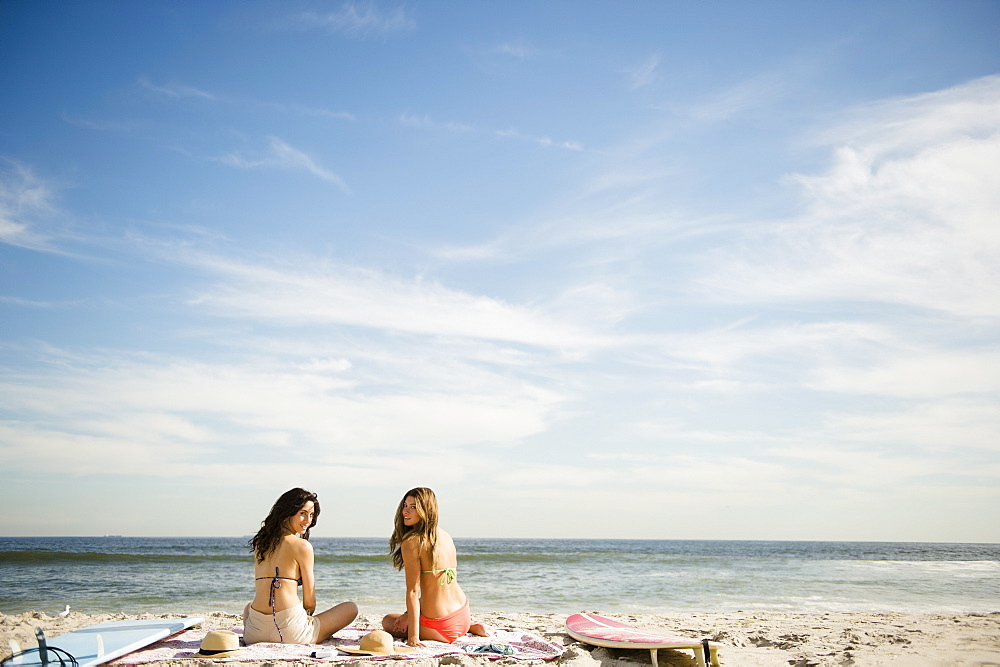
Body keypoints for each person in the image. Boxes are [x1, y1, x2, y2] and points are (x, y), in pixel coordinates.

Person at [243, 488, 357, 644]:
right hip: (290, 633)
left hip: (253, 635)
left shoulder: (261, 545)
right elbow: (309, 602)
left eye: (311, 515)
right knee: (351, 608)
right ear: (287, 512)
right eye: (303, 513)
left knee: (249, 607)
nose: (308, 520)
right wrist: (305, 618)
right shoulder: (302, 546)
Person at [382, 487, 489, 646]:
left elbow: (412, 591)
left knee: (388, 620)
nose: (406, 511)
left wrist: (413, 637)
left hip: (441, 627)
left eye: (413, 507)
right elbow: (435, 586)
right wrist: (407, 615)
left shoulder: (412, 542)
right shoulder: (445, 536)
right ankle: (471, 628)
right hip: (463, 614)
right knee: (403, 617)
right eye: (405, 505)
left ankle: (455, 629)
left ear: (426, 510)